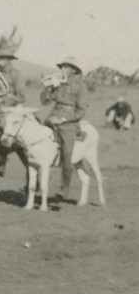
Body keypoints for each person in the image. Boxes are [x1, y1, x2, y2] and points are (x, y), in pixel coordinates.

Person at [41, 57, 88, 196]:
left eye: (65, 67)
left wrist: (63, 119)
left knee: (67, 153)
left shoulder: (81, 86)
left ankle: (65, 188)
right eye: (61, 67)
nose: (61, 69)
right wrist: (48, 87)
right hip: (52, 117)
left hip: (69, 123)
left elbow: (81, 110)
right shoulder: (58, 83)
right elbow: (44, 102)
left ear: (73, 70)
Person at [0, 48, 27, 177]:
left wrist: (3, 99)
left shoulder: (16, 75)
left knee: (3, 130)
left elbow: (21, 97)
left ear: (9, 60)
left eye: (2, 58)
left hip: (8, 109)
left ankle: (1, 163)